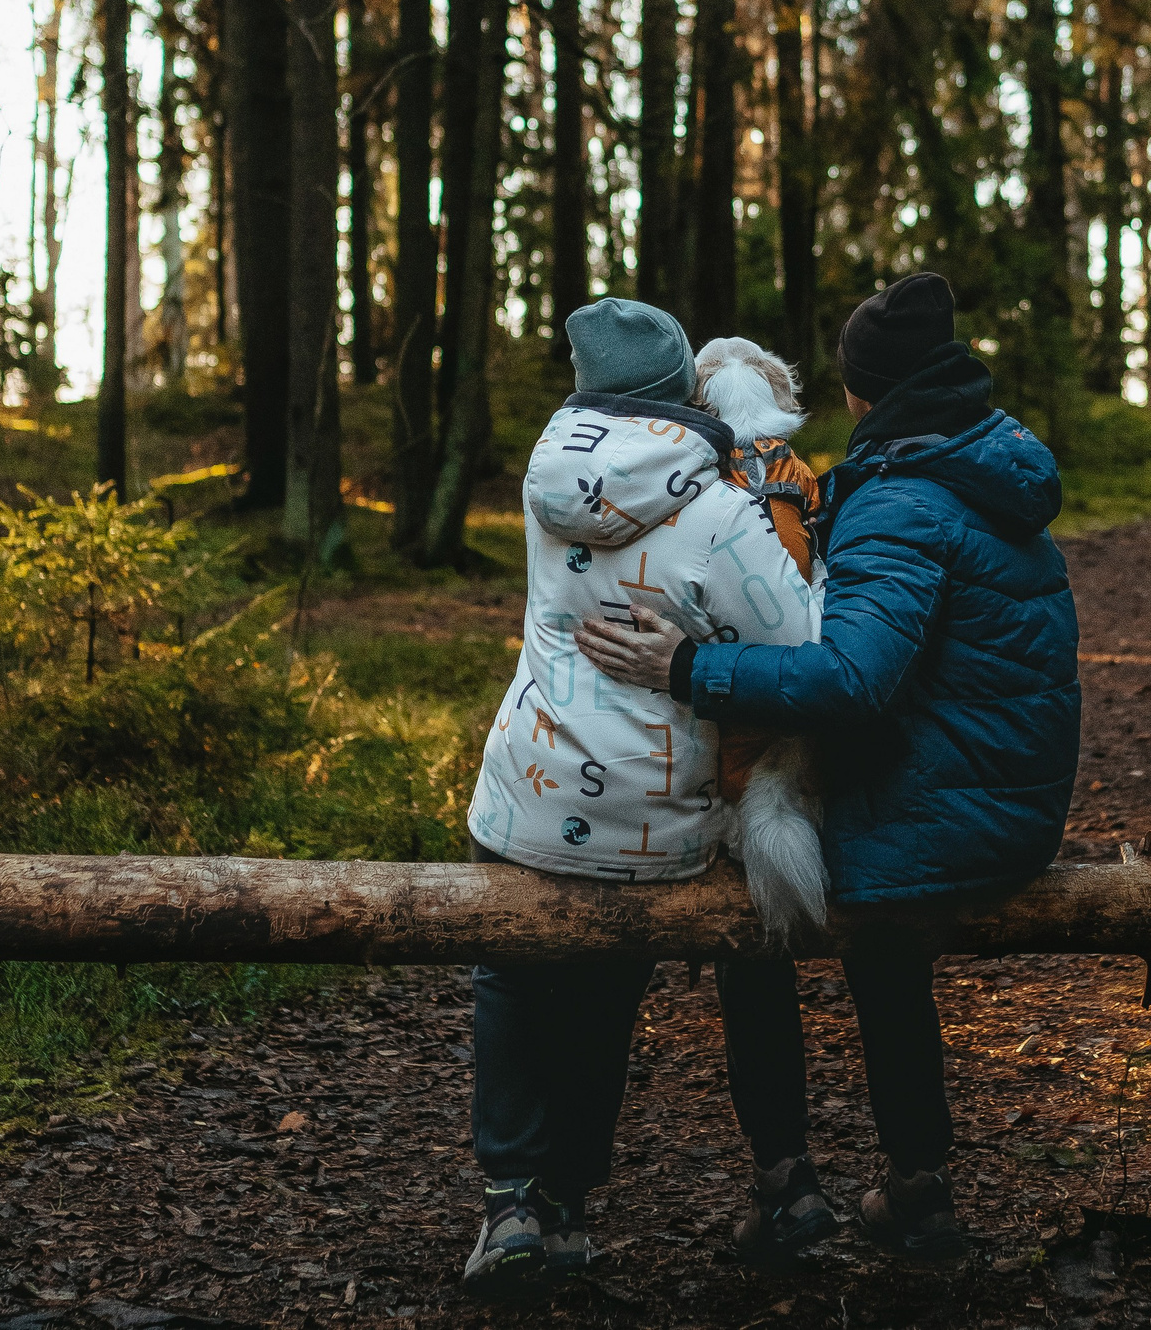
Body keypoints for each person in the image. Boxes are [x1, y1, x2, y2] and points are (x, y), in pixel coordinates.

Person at [576, 272, 1082, 1265]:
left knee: (752, 916)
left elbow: (852, 679)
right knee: (876, 924)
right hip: (1009, 800)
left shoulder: (899, 499)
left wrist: (685, 666)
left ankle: (786, 1187)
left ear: (866, 390)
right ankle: (918, 1187)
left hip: (946, 820)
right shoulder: (980, 462)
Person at [459, 298, 819, 1300]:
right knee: (605, 993)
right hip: (648, 820)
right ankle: (567, 1207)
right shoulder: (720, 511)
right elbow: (803, 648)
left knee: (510, 979)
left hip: (523, 792)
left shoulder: (545, 484)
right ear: (682, 394)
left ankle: (512, 1202)